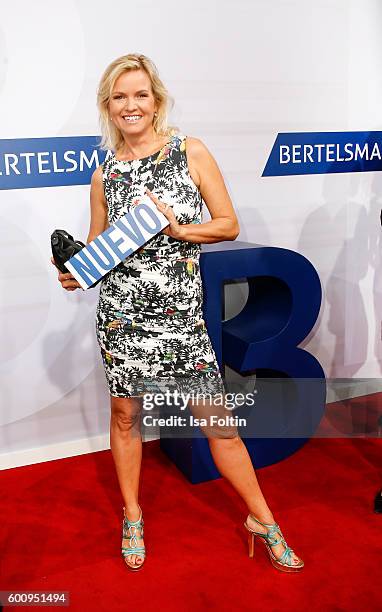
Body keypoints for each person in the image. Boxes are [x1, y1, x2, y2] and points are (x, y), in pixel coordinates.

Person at [51, 53, 304, 573]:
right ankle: (133, 515)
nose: (131, 105)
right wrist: (78, 271)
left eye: (140, 94)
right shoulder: (105, 175)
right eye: (119, 96)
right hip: (121, 317)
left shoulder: (189, 152)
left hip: (180, 319)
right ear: (107, 106)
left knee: (219, 425)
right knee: (126, 417)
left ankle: (264, 520)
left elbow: (227, 224)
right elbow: (101, 252)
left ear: (156, 100)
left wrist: (179, 230)